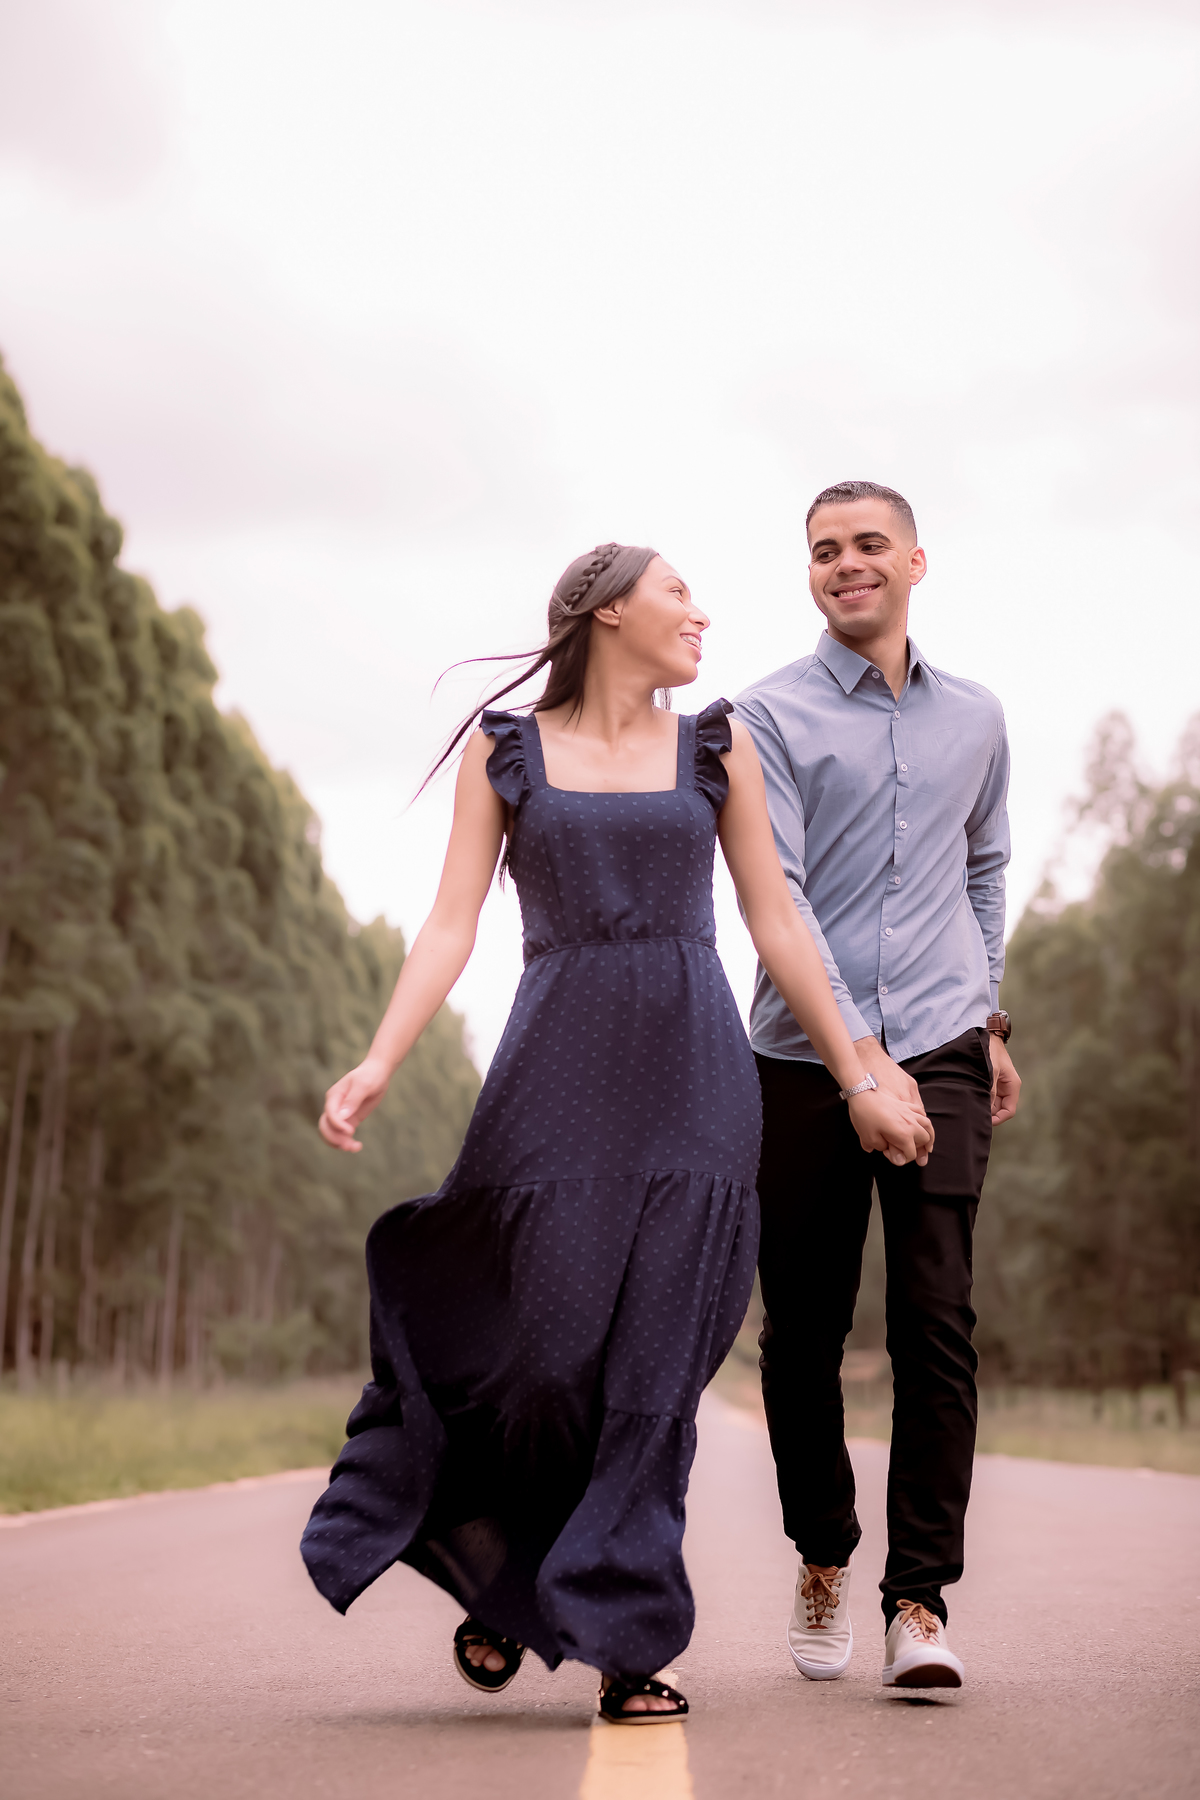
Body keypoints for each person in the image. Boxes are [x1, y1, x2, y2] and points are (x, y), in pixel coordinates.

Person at [300, 542, 933, 1723]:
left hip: (695, 1070)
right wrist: (379, 1057)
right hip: (556, 1067)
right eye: (679, 590)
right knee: (542, 1351)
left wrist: (855, 1069)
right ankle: (519, 1575)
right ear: (605, 611)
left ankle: (632, 1636)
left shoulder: (716, 743)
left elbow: (775, 919)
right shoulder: (506, 753)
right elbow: (448, 926)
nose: (702, 612)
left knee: (655, 1370)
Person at [734, 481, 1021, 1690]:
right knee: (801, 1334)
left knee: (936, 1322)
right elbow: (780, 897)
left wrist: (989, 1018)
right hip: (802, 1060)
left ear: (913, 560)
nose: (844, 566)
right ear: (810, 574)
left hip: (950, 1045)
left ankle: (921, 1601)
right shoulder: (763, 716)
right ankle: (824, 1554)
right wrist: (859, 1065)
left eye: (863, 547)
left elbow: (987, 865)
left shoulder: (979, 717)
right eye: (821, 552)